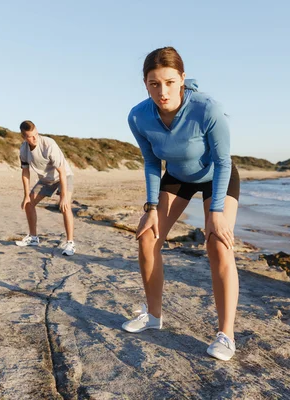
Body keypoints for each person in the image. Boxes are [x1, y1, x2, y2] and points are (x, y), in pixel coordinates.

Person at [123, 47, 241, 361]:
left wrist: (215, 213)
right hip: (177, 176)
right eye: (154, 84)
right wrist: (150, 208)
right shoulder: (138, 116)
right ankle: (154, 316)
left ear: (182, 79)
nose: (163, 92)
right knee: (147, 238)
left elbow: (223, 161)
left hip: (217, 176)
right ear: (145, 83)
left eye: (170, 82)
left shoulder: (207, 109)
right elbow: (151, 163)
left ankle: (226, 335)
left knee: (218, 242)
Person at [16, 120, 76, 256]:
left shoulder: (49, 144)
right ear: (24, 137)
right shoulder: (23, 149)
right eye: (30, 136)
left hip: (63, 176)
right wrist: (26, 195)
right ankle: (33, 237)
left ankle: (70, 243)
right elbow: (25, 172)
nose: (34, 138)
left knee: (65, 206)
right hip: (46, 179)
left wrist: (64, 196)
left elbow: (61, 171)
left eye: (35, 134)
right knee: (29, 204)